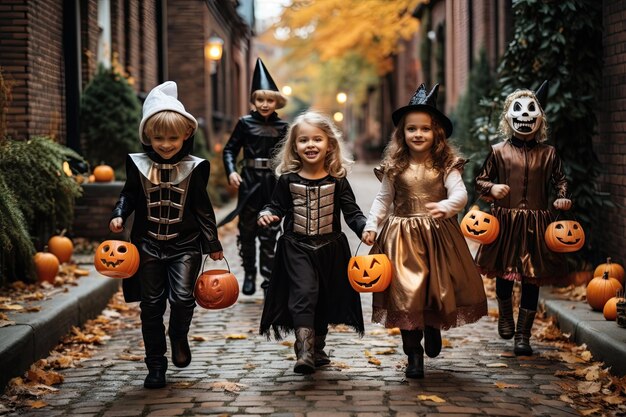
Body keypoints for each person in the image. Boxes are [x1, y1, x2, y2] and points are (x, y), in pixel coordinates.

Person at [362, 83, 488, 379]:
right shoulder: (395, 166)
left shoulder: (446, 165)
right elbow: (383, 200)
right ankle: (413, 354)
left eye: (425, 129)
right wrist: (371, 225)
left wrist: (448, 206)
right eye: (412, 129)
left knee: (434, 289)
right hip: (401, 238)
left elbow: (461, 194)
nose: (418, 134)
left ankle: (432, 326)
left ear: (437, 134)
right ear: (402, 134)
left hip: (438, 238)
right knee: (405, 294)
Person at [109, 81, 223, 389]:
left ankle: (178, 334)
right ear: (147, 135)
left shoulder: (195, 167)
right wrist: (119, 214)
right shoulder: (137, 164)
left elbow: (203, 209)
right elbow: (129, 195)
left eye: (172, 137)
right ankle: (155, 365)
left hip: (185, 244)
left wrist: (212, 244)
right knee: (151, 305)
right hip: (147, 244)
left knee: (184, 299)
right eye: (159, 137)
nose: (166, 144)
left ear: (186, 134)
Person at [257, 111, 366, 374]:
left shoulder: (338, 181)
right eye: (303, 140)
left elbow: (352, 213)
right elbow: (275, 206)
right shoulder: (287, 180)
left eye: (317, 139)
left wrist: (365, 229)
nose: (310, 145)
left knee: (324, 298)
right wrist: (267, 215)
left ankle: (317, 346)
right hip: (296, 246)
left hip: (331, 248)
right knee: (304, 293)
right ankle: (303, 350)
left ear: (329, 143)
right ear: (294, 146)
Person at [474, 81, 571, 356]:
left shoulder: (549, 154)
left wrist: (562, 197)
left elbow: (560, 180)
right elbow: (480, 180)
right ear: (509, 116)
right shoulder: (498, 151)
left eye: (532, 111)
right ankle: (505, 313)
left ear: (539, 119)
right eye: (519, 110)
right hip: (505, 223)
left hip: (537, 225)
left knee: (531, 278)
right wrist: (492, 189)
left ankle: (523, 335)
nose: (525, 116)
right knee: (505, 275)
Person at [220, 58, 289, 296]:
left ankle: (268, 278)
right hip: (249, 181)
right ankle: (249, 273)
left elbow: (289, 156)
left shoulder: (284, 127)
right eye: (260, 99)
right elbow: (229, 149)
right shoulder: (244, 123)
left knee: (270, 229)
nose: (265, 104)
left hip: (273, 182)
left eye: (270, 99)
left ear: (277, 101)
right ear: (253, 100)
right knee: (247, 230)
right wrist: (231, 171)